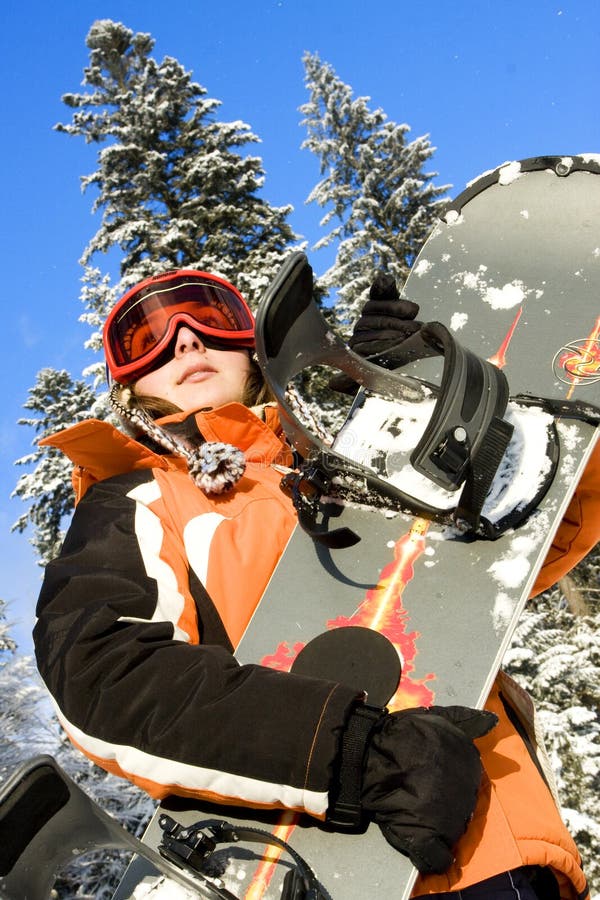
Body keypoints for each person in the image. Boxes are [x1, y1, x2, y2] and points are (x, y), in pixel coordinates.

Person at [33, 267, 594, 899]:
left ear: (252, 347)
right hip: (344, 863)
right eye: (147, 338)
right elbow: (105, 678)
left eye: (210, 318)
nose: (185, 340)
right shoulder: (139, 501)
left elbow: (517, 549)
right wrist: (354, 754)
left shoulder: (336, 459)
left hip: (506, 832)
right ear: (127, 387)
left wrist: (417, 394)